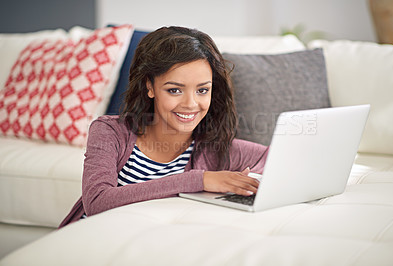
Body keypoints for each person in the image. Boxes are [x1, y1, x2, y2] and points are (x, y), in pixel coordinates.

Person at [59, 26, 268, 228]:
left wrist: (249, 182)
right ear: (150, 86)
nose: (191, 104)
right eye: (175, 90)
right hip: (88, 241)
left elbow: (274, 157)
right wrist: (200, 180)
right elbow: (98, 202)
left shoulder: (212, 147)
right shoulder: (109, 131)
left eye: (202, 90)